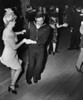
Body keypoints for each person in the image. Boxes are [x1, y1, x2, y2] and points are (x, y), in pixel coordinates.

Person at [0, 8, 37, 94]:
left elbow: (13, 33)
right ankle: (12, 85)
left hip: (13, 54)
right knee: (19, 69)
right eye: (14, 21)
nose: (16, 22)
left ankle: (13, 81)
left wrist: (21, 32)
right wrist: (23, 41)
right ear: (10, 22)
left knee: (14, 68)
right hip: (9, 55)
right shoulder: (8, 33)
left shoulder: (8, 29)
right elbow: (15, 47)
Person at [26, 12, 50, 84]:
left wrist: (33, 42)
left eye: (41, 20)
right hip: (31, 49)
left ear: (44, 19)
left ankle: (36, 77)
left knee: (39, 66)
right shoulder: (30, 24)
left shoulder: (47, 27)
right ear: (35, 19)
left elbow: (44, 40)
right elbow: (26, 34)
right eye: (38, 20)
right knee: (31, 65)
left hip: (41, 49)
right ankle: (28, 78)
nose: (40, 22)